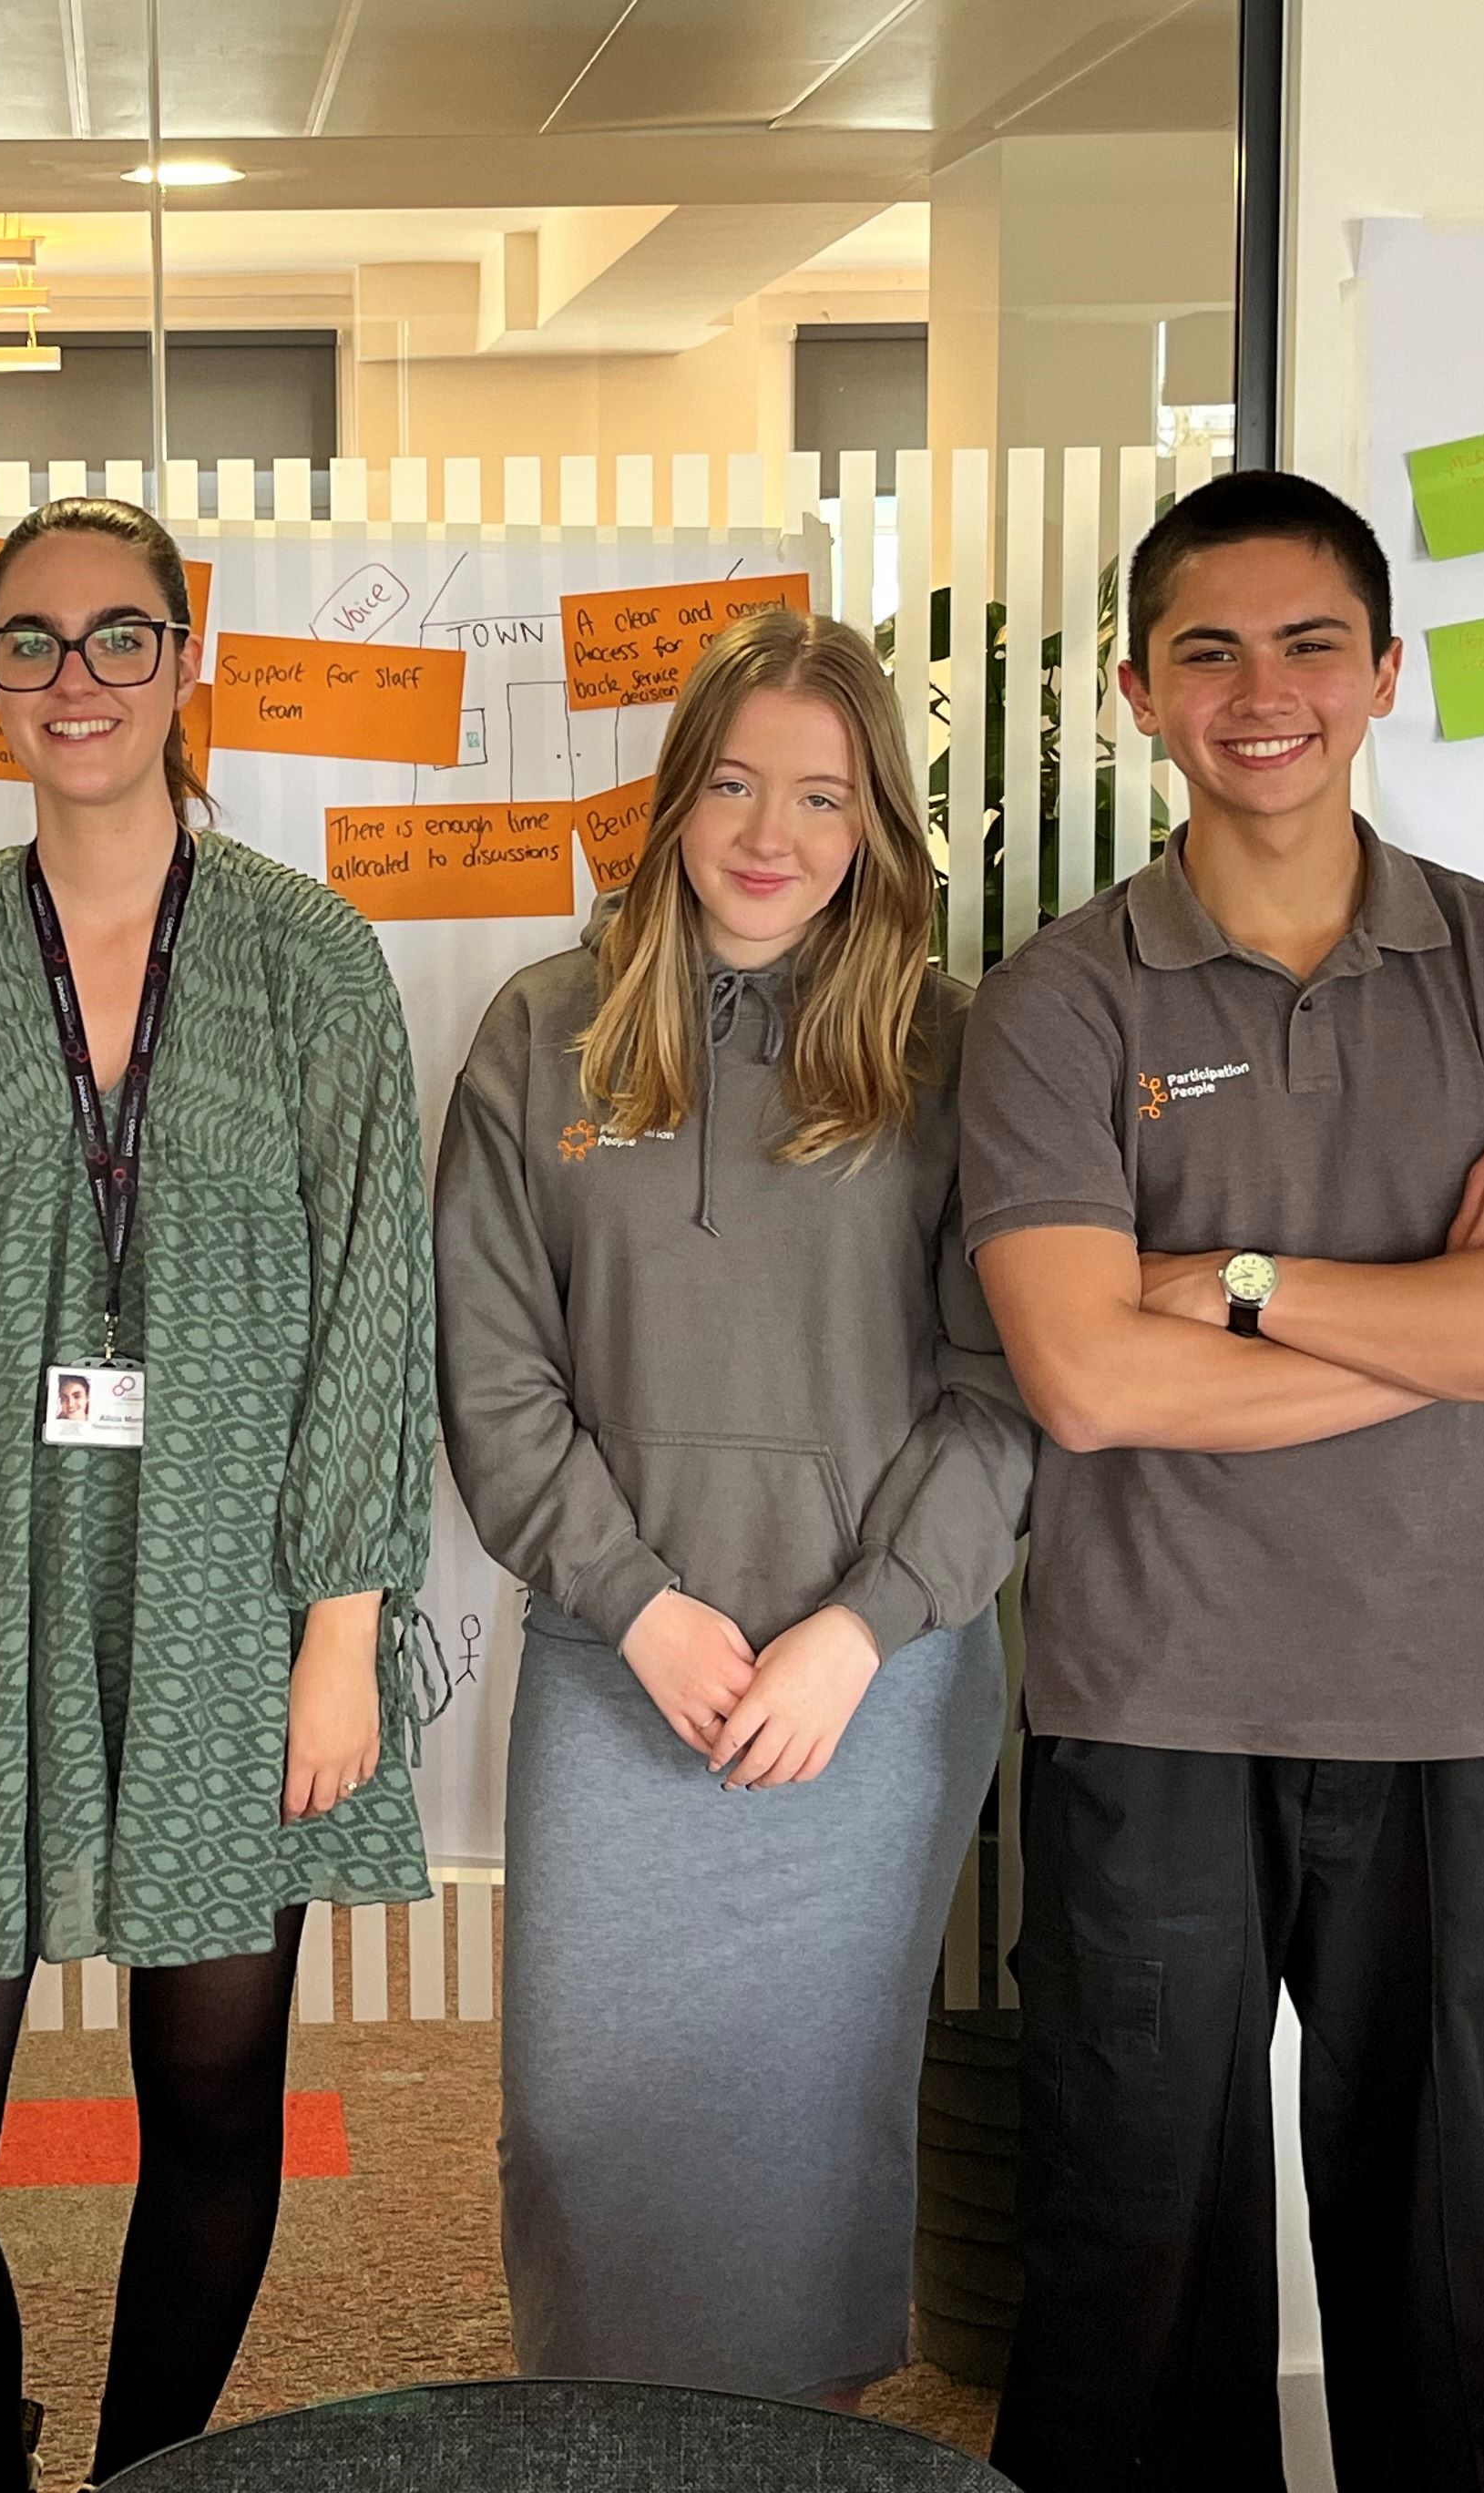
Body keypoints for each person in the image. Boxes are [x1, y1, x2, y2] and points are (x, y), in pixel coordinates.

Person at [957, 472, 1484, 2493]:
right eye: (1209, 652)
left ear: (1381, 676)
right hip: (1147, 1706)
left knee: (1466, 2284)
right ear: (1137, 693)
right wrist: (1454, 1314)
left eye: (1307, 646)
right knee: (1133, 2280)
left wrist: (1254, 1293)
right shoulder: (1062, 999)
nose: (1262, 692)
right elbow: (1087, 1381)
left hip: (1448, 1712)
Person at [0, 493, 435, 2493]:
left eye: (120, 636)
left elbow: (373, 1301)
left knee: (217, 2102)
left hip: (237, 1587)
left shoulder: (316, 957)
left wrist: (344, 1634)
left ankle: (153, 2474)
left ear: (184, 661)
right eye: (36, 643)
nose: (79, 679)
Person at [435, 605, 1033, 2407]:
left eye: (825, 798)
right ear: (678, 797)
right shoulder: (541, 1035)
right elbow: (495, 1371)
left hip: (874, 1682)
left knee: (817, 2133)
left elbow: (1002, 1389)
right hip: (627, 1665)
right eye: (738, 786)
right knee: (580, 2131)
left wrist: (858, 1631)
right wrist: (637, 1603)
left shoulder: (952, 1052)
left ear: (877, 831)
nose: (773, 836)